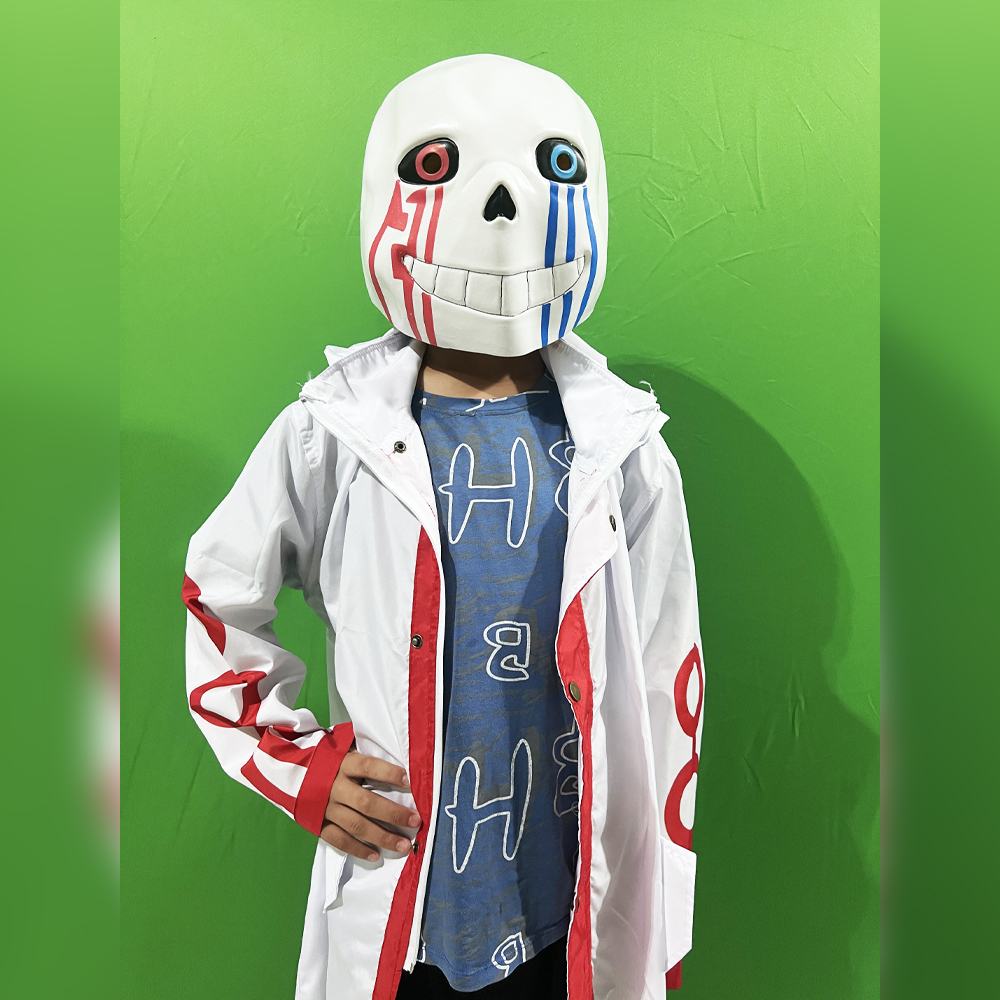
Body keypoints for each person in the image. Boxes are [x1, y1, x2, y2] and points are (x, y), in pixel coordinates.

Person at [184, 55, 704, 1000]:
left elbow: (671, 681)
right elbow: (217, 597)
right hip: (407, 901)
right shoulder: (330, 433)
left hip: (569, 911)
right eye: (434, 166)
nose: (501, 206)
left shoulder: (625, 448)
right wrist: (300, 769)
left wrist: (660, 900)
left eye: (554, 166)